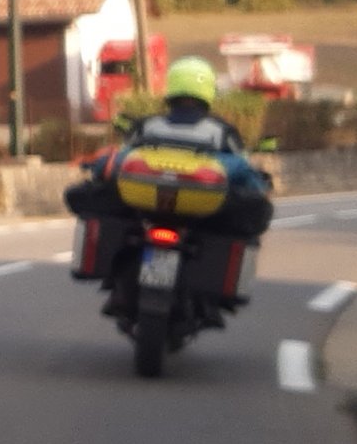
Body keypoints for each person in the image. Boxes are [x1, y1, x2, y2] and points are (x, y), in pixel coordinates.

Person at [66, 62, 276, 306]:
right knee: (251, 208)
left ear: (171, 88)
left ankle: (121, 280)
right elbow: (243, 170)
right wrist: (259, 186)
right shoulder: (221, 131)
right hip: (199, 210)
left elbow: (120, 159)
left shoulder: (148, 124)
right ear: (208, 92)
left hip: (147, 205)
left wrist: (94, 167)